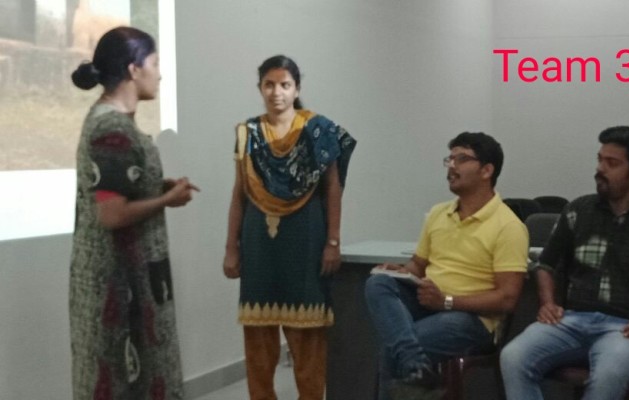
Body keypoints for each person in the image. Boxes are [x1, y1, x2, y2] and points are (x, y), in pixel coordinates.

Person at [500, 126, 629, 400]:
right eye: (600, 159)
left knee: (607, 375)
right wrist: (548, 302)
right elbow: (545, 265)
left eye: (611, 163)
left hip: (627, 329)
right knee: (513, 356)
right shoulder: (579, 210)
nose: (600, 169)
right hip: (571, 322)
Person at [69, 27, 197, 399]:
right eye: (154, 63)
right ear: (133, 69)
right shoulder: (111, 127)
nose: (160, 74)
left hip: (128, 281)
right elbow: (111, 213)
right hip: (119, 288)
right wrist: (166, 200)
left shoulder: (114, 122)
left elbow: (120, 187)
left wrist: (158, 187)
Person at [222, 55, 356, 400]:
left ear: (296, 89)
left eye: (284, 85)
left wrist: (333, 242)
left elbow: (333, 187)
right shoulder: (248, 133)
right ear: (260, 88)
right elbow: (239, 193)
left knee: (307, 337)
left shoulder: (317, 130)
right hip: (258, 243)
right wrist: (231, 247)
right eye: (269, 85)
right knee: (258, 338)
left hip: (306, 239)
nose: (276, 92)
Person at [364, 132, 529, 400]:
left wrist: (447, 301)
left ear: (487, 170)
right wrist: (404, 272)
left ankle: (414, 365)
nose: (451, 167)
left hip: (472, 319)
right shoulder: (439, 213)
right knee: (378, 283)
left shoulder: (509, 226)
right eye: (449, 159)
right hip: (429, 303)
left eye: (461, 159)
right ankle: (417, 367)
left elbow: (507, 299)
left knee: (397, 346)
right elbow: (418, 264)